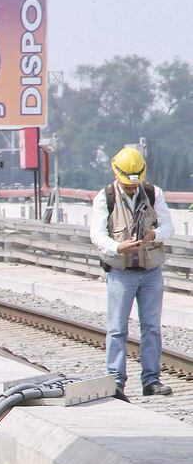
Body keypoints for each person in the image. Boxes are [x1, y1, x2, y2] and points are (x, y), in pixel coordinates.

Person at [89, 146, 174, 400]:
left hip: (150, 271)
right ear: (117, 175)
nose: (131, 188)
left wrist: (154, 235)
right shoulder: (105, 198)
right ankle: (116, 381)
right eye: (127, 184)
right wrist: (118, 247)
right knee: (117, 328)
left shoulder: (152, 193)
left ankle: (151, 380)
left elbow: (168, 225)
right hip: (120, 271)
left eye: (133, 184)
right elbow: (97, 234)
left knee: (152, 328)